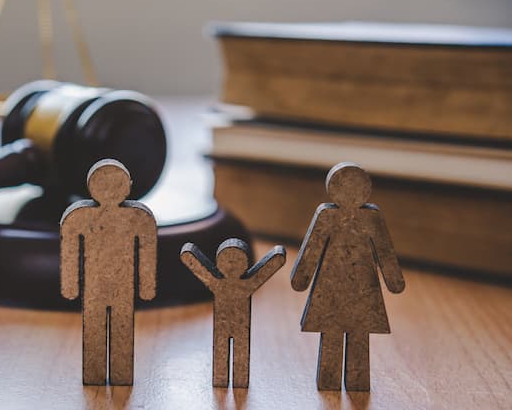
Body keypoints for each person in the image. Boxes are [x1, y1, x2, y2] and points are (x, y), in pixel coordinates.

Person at [291, 163, 405, 391]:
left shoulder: (370, 217)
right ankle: (333, 380)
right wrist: (394, 281)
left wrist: (301, 279)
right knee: (342, 333)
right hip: (339, 289)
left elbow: (384, 252)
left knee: (356, 335)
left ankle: (350, 382)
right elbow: (312, 248)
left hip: (355, 289)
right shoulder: (328, 216)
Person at [60, 160, 157, 385]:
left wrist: (146, 287)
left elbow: (147, 251)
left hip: (122, 287)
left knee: (121, 325)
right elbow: (70, 249)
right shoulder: (79, 217)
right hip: (94, 287)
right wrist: (70, 286)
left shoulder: (138, 218)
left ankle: (120, 374)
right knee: (95, 324)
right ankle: (95, 373)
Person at [181, 239, 285, 387]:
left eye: (236, 260)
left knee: (238, 353)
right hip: (224, 325)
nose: (232, 265)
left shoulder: (239, 283)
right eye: (228, 260)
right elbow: (198, 265)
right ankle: (224, 379)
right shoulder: (221, 282)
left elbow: (266, 269)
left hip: (239, 326)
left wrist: (277, 257)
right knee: (222, 350)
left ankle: (236, 380)